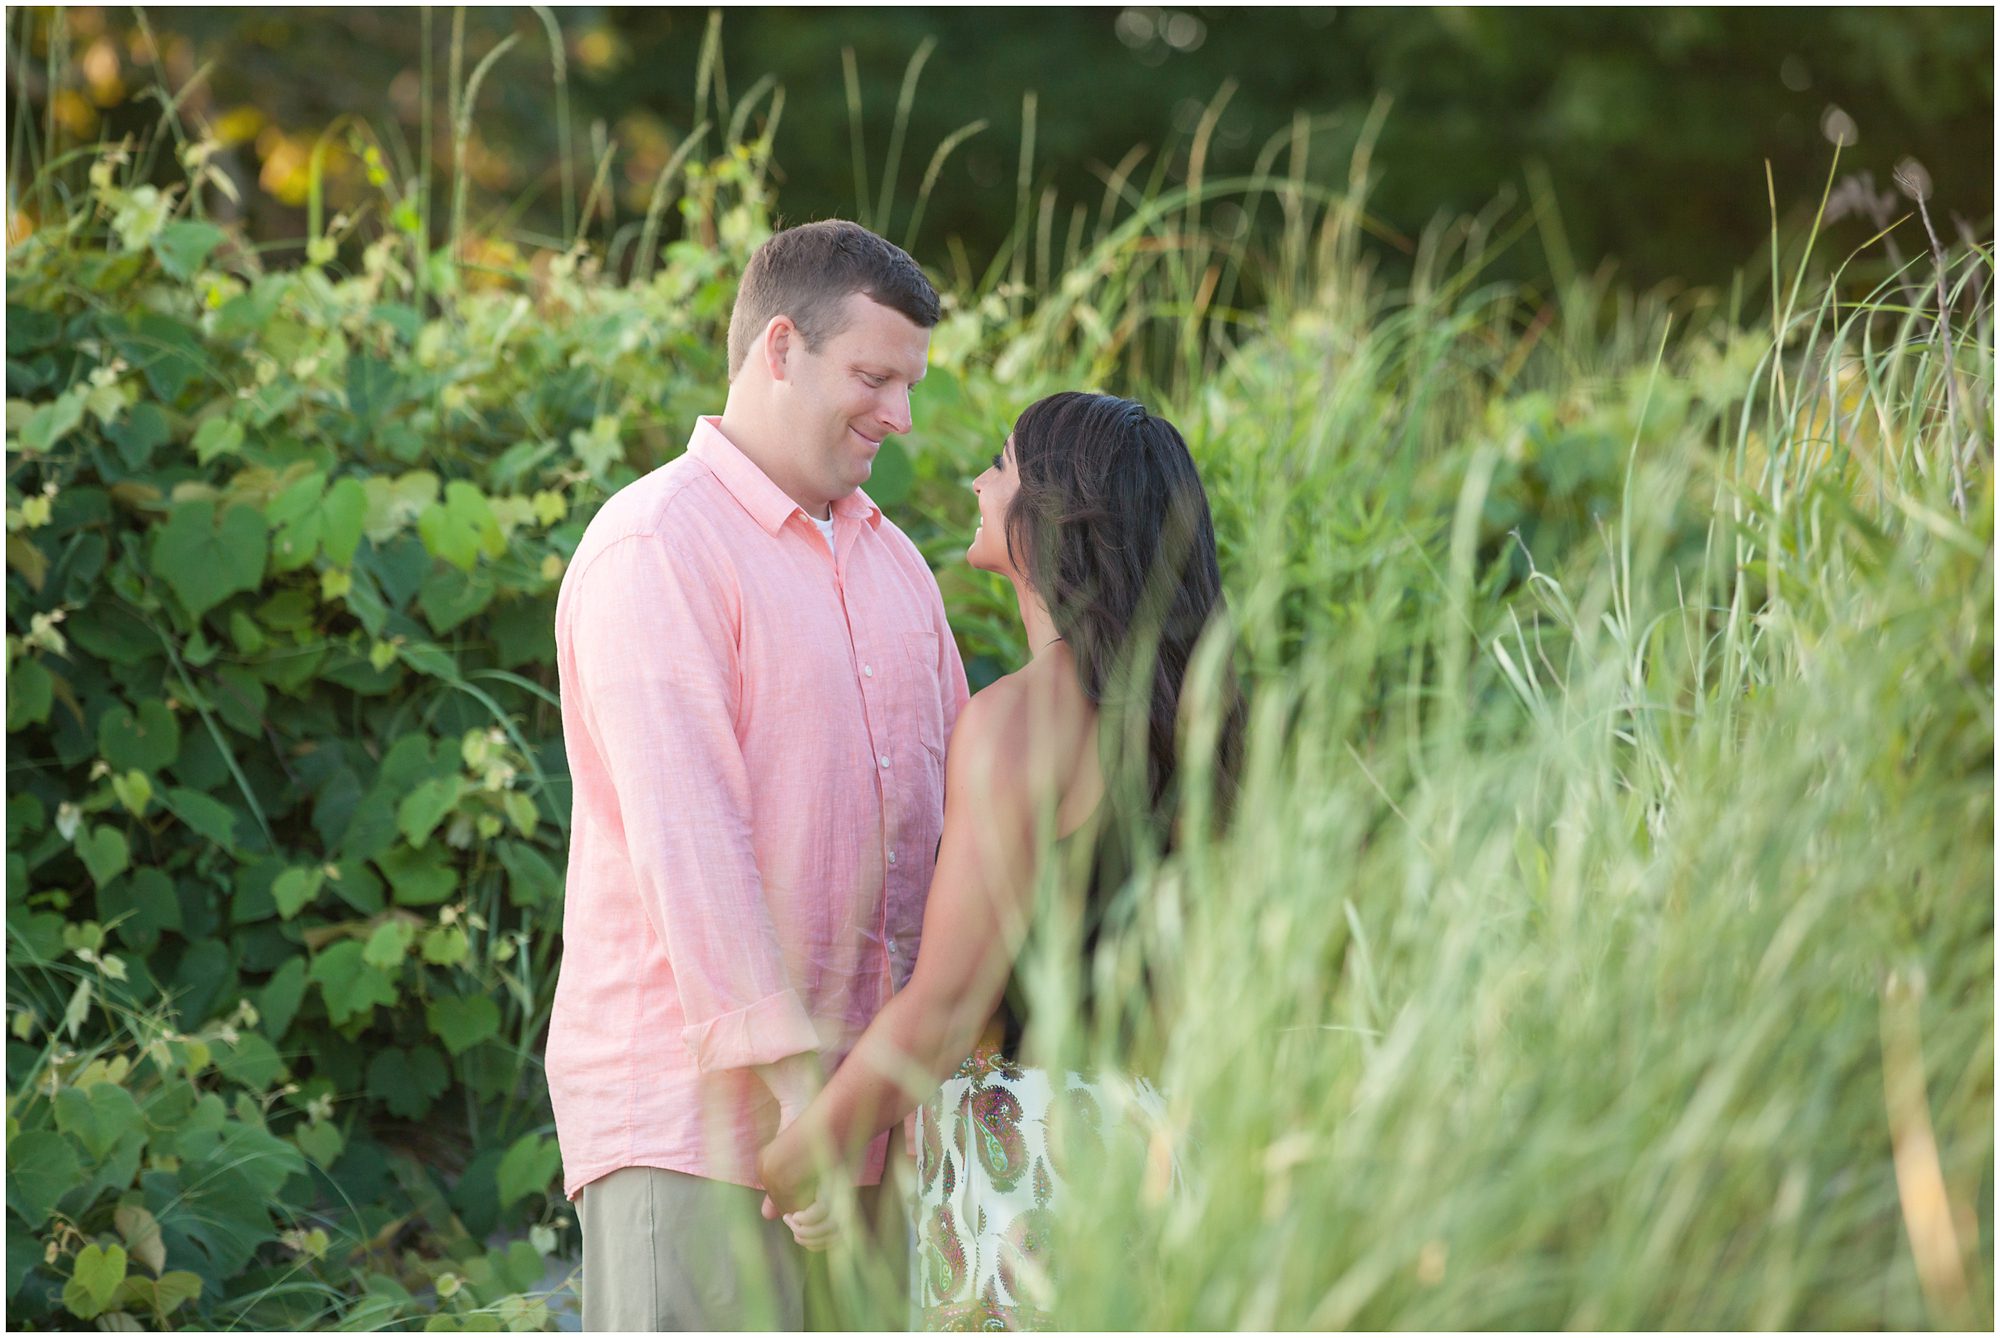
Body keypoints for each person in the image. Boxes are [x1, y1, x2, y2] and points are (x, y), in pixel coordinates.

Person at [546, 219, 970, 1331]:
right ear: (779, 347)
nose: (900, 415)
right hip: (701, 1139)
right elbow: (696, 851)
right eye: (874, 375)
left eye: (910, 382)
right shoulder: (658, 547)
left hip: (868, 1137)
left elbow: (942, 845)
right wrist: (802, 1117)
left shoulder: (895, 565)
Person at [756, 390, 1244, 1329]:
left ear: (1052, 517)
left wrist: (794, 1158)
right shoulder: (1196, 720)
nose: (979, 481)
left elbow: (944, 1011)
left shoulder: (1017, 720)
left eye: (1001, 465)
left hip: (1030, 1164)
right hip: (1163, 1150)